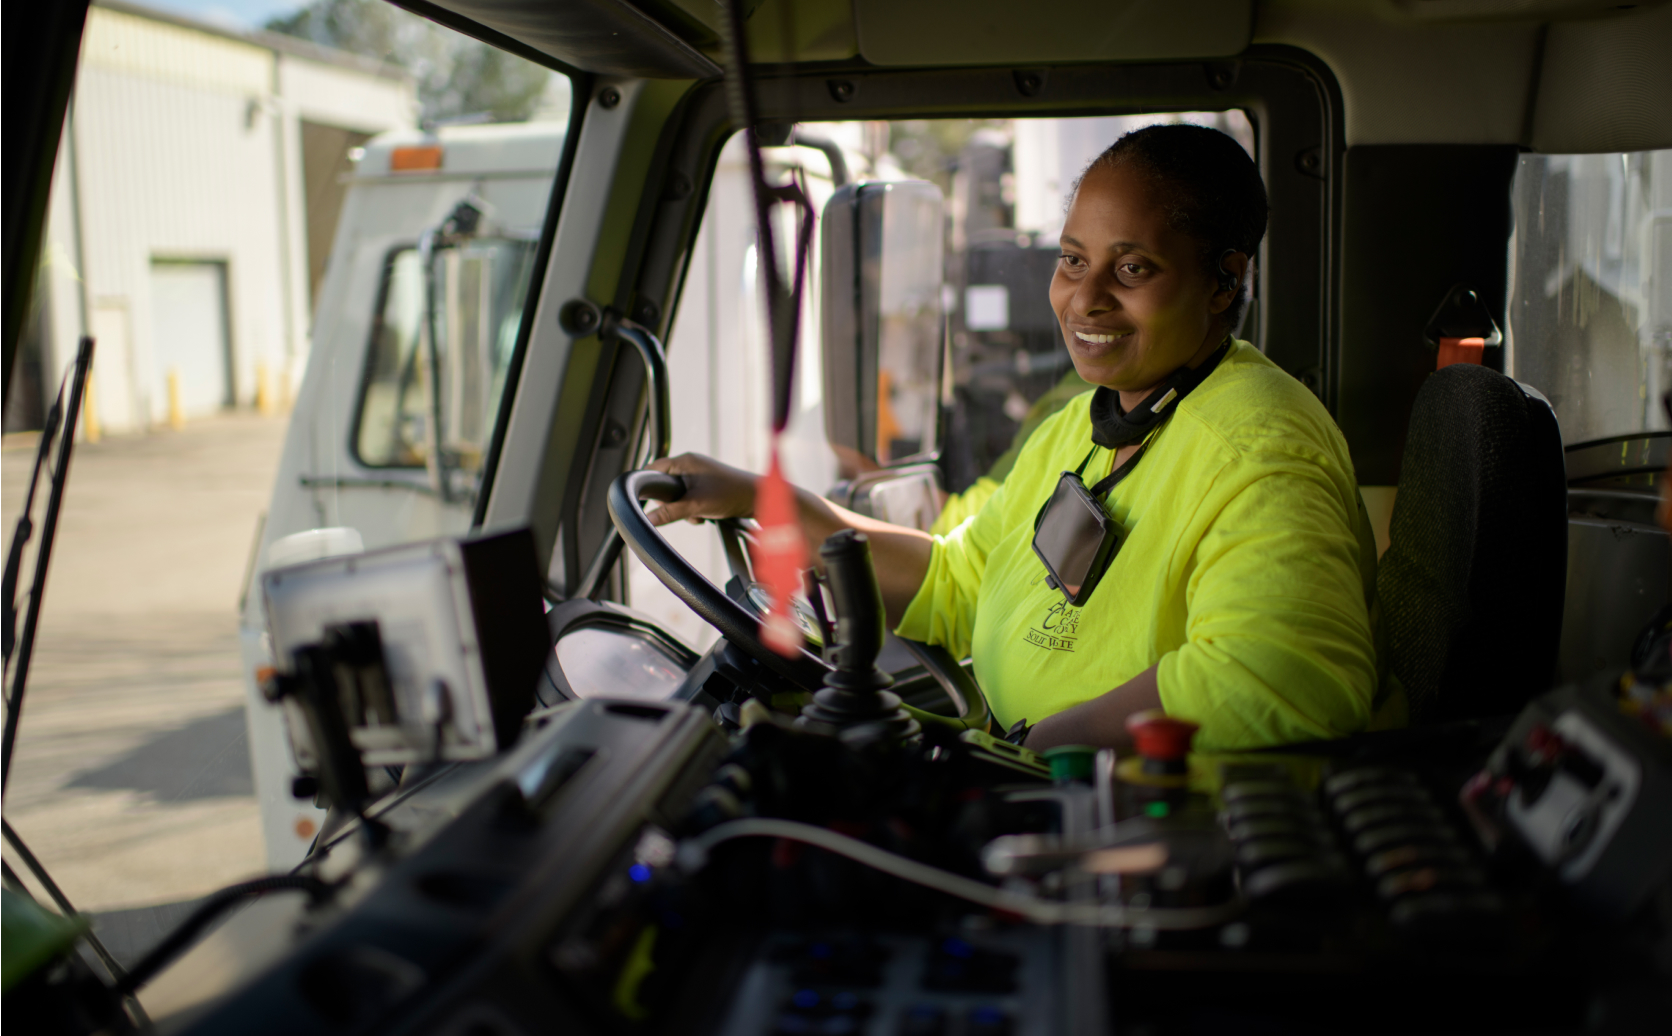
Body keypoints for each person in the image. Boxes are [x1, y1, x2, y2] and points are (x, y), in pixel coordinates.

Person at [652, 124, 1393, 753]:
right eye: (1074, 259)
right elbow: (958, 581)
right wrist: (758, 496)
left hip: (1153, 827)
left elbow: (1281, 677)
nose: (1085, 297)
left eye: (1132, 268)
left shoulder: (1261, 450)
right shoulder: (1083, 426)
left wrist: (1040, 749)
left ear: (1224, 282)